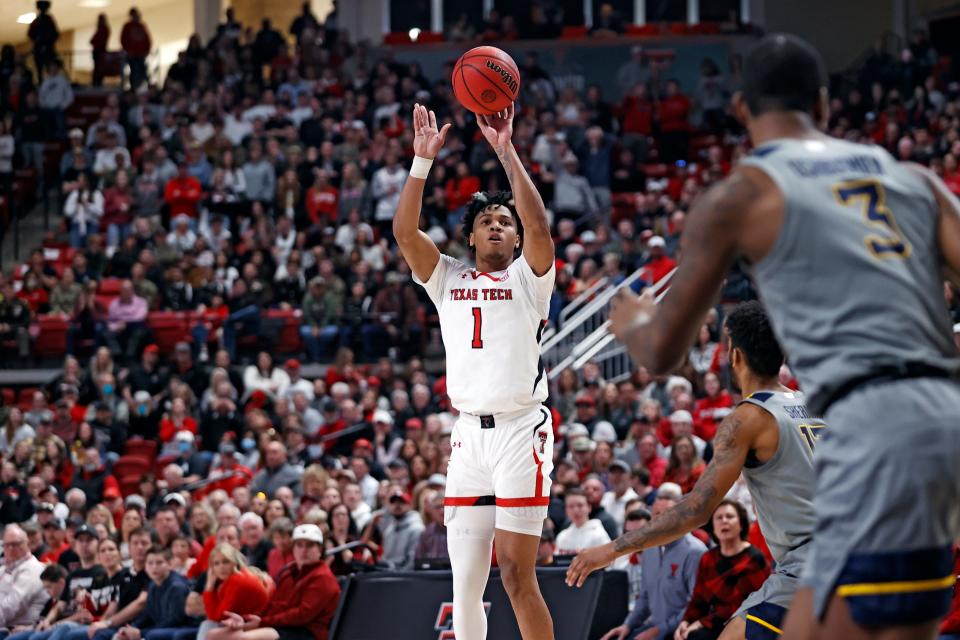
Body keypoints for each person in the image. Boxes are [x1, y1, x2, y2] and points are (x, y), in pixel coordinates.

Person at [603, 32, 960, 640]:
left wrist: (632, 318)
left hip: (877, 428)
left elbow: (663, 350)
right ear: (823, 105)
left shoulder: (742, 194)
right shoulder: (916, 180)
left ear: (740, 111)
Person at [395, 102, 556, 640]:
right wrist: (421, 164)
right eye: (486, 221)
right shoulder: (446, 278)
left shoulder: (530, 280)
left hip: (519, 431)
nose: (496, 227)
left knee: (515, 574)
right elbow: (404, 232)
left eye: (504, 223)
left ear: (515, 240)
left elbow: (538, 222)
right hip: (467, 436)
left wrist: (506, 150)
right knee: (464, 580)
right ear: (470, 238)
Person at [569, 302, 825, 640]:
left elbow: (695, 510)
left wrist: (613, 549)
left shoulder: (747, 419)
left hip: (811, 563)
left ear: (733, 355)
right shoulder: (811, 403)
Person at [596, 483, 706, 640]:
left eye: (667, 513)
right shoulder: (649, 548)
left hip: (681, 631)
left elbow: (695, 605)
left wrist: (660, 630)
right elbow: (645, 597)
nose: (660, 519)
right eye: (656, 514)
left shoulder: (695, 552)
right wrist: (627, 625)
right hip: (654, 627)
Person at [210, 524, 340, 640]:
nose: (304, 550)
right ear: (293, 548)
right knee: (214, 635)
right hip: (284, 626)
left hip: (307, 632)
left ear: (320, 550)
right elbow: (272, 604)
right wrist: (248, 619)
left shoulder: (323, 577)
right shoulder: (289, 573)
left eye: (310, 545)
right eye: (299, 545)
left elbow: (302, 615)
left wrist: (262, 622)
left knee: (241, 638)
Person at [676, 501, 770, 640]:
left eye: (730, 516)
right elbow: (698, 597)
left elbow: (739, 607)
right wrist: (686, 621)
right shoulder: (708, 558)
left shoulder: (754, 559)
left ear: (741, 524)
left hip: (744, 626)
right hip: (713, 623)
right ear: (713, 527)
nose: (724, 521)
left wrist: (701, 623)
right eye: (719, 518)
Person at [115, 546, 195, 640]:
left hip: (183, 628)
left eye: (159, 563)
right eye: (150, 563)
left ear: (169, 564)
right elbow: (147, 615)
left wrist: (141, 632)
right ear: (145, 567)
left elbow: (174, 621)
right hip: (159, 629)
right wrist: (132, 627)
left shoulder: (177, 587)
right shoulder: (152, 585)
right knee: (120, 635)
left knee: (152, 635)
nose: (154, 567)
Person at [0, 524, 48, 633]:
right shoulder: (3, 569)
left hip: (17, 630)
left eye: (15, 544)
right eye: (6, 545)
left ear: (27, 544)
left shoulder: (33, 569)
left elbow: (12, 607)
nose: (10, 549)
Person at [554, 488, 610, 557]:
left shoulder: (599, 534)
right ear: (566, 510)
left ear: (589, 507)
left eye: (580, 505)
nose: (576, 510)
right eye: (571, 506)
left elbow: (609, 560)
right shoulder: (562, 536)